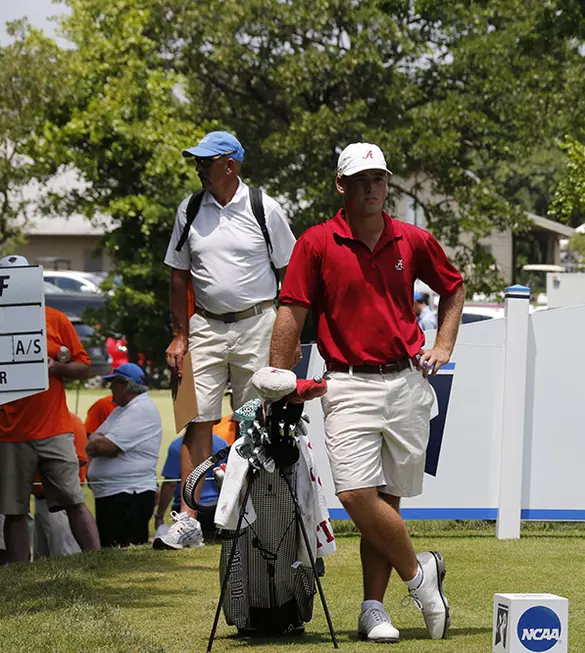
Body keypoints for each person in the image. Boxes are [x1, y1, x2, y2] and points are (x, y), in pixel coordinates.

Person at [268, 142, 465, 643]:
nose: (372, 188)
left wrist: (443, 343)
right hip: (347, 380)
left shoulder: (412, 239)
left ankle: (373, 610)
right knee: (356, 495)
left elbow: (454, 286)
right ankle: (421, 578)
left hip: (406, 380)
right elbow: (292, 310)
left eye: (378, 179)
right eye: (361, 180)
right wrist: (279, 378)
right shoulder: (316, 242)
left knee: (387, 504)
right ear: (342, 186)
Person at [162, 130, 296, 547]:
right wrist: (179, 335)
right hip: (203, 325)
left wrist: (287, 334)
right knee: (195, 419)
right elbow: (177, 274)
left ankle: (248, 517)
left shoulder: (264, 208)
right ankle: (188, 519)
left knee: (253, 419)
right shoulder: (189, 209)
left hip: (257, 323)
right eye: (197, 162)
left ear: (230, 165)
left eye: (205, 162)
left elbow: (290, 273)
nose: (198, 168)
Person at [0, 255, 100, 563]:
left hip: (54, 428)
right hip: (9, 432)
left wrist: (56, 367)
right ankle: (20, 572)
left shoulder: (55, 319)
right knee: (13, 508)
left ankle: (98, 562)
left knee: (73, 500)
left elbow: (83, 366)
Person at [86, 363, 162, 547]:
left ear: (124, 385)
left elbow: (102, 445)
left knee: (122, 550)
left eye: (113, 383)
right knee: (111, 549)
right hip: (117, 495)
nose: (110, 388)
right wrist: (101, 445)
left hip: (128, 496)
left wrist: (106, 446)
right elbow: (92, 441)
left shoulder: (140, 409)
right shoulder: (123, 409)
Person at [153, 430, 227, 548]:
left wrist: (159, 515)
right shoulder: (222, 443)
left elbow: (170, 484)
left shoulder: (177, 446)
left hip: (189, 512)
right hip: (216, 511)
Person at [32, 414, 89, 558]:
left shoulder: (71, 421)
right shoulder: (36, 421)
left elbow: (79, 460)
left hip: (60, 501)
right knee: (42, 556)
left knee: (64, 554)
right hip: (39, 500)